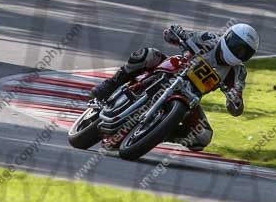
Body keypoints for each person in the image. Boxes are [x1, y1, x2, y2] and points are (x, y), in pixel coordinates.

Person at [91, 21, 259, 151]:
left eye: (244, 52)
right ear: (228, 37)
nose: (239, 53)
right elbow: (175, 36)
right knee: (146, 54)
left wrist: (235, 99)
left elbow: (236, 104)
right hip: (170, 70)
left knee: (203, 136)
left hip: (189, 97)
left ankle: (158, 133)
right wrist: (176, 33)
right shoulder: (208, 39)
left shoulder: (238, 72)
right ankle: (111, 84)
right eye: (237, 46)